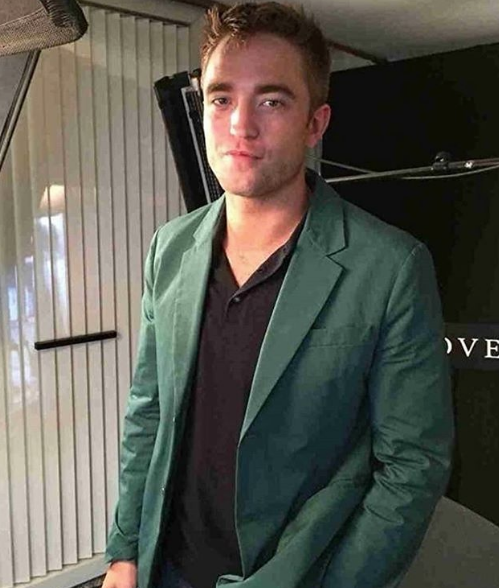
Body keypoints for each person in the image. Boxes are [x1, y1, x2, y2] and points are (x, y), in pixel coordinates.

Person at [103, 3, 454, 588]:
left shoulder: (390, 267)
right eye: (221, 99)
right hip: (166, 567)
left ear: (315, 123)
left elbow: (413, 466)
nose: (241, 125)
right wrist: (125, 551)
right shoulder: (170, 247)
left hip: (296, 573)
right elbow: (150, 412)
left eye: (271, 101)